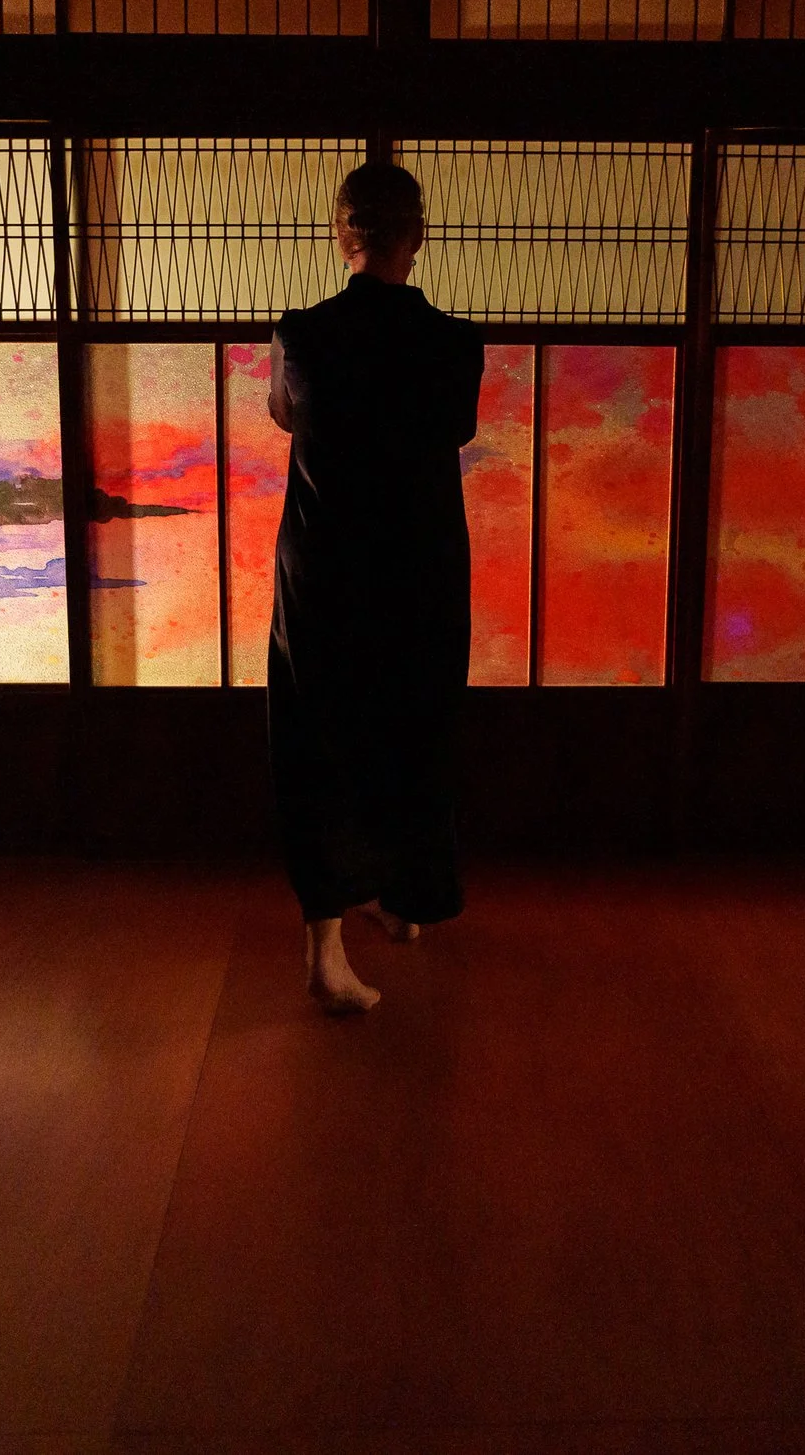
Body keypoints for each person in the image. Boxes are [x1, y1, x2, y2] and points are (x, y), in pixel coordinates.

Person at [268, 161, 485, 1013]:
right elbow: (452, 426)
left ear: (341, 235)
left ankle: (329, 945)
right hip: (419, 564)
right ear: (417, 236)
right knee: (413, 723)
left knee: (318, 732)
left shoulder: (300, 333)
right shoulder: (454, 343)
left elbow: (287, 414)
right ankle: (400, 894)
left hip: (325, 561)